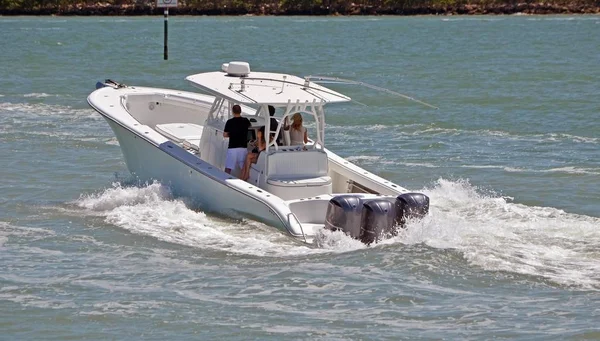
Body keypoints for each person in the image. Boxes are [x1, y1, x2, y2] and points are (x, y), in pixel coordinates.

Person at [223, 104, 251, 176]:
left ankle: (224, 179)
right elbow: (250, 126)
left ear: (233, 112)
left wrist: (232, 134)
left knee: (228, 168)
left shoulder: (229, 122)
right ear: (240, 111)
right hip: (243, 148)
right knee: (243, 167)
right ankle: (245, 180)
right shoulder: (246, 121)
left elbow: (225, 135)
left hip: (233, 147)